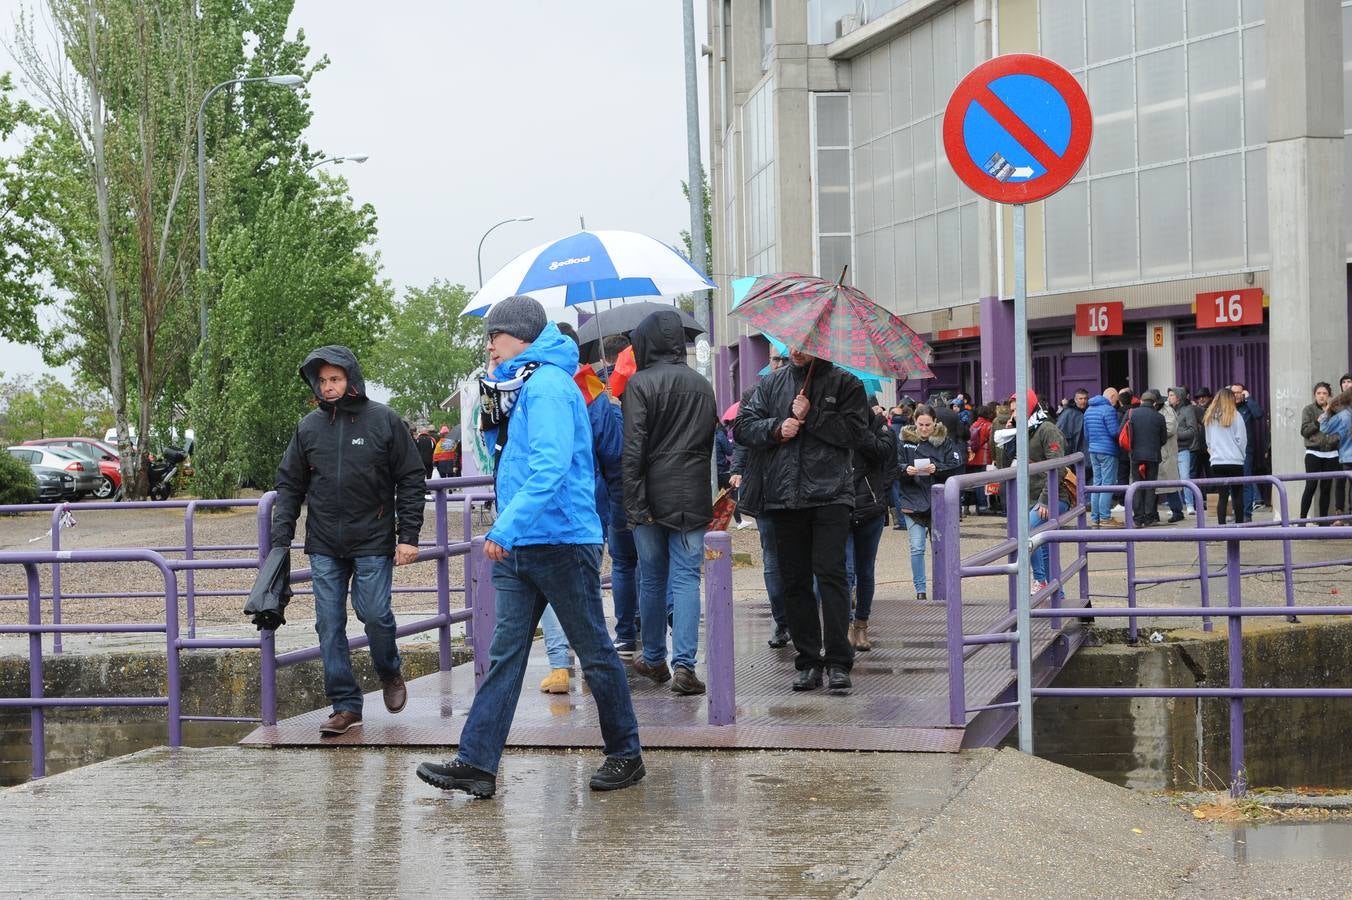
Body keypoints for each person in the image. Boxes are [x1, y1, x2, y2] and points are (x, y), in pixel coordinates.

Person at [416, 296, 643, 798]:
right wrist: (492, 415)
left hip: (559, 539)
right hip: (524, 542)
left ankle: (626, 753)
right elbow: (512, 459)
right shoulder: (525, 383)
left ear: (515, 334)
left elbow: (550, 467)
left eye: (493, 335)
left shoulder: (546, 386)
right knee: (506, 655)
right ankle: (477, 762)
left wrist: (502, 529)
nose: (488, 345)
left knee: (595, 650)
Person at [270, 346, 425, 737]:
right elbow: (289, 484)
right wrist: (280, 537)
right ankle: (345, 705)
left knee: (374, 615)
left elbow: (411, 478)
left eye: (335, 379)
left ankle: (389, 671)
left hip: (373, 538)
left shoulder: (384, 421)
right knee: (328, 624)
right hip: (324, 542)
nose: (328, 387)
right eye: (322, 381)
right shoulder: (308, 428)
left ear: (351, 379)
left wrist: (408, 536)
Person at [735, 347, 869, 694]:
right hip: (783, 497)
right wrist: (777, 428)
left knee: (831, 576)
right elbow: (744, 428)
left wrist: (815, 417)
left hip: (830, 495)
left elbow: (857, 435)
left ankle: (839, 662)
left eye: (805, 344)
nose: (795, 350)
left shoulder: (846, 383)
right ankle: (808, 660)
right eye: (792, 342)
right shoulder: (771, 384)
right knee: (794, 581)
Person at [622, 309, 718, 696]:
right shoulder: (702, 384)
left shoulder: (639, 384)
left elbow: (633, 448)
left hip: (649, 492)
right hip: (692, 492)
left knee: (652, 576)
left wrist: (633, 500)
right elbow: (708, 444)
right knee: (686, 579)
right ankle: (685, 666)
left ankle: (653, 655)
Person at [535, 322, 625, 694]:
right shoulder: (593, 392)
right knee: (585, 588)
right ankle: (592, 660)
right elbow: (613, 453)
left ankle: (559, 665)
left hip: (540, 509)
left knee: (550, 592)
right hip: (589, 505)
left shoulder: (530, 387)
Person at [732, 371, 790, 649]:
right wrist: (737, 469)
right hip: (773, 488)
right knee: (778, 558)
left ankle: (786, 620)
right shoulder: (763, 396)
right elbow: (744, 439)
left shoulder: (753, 401)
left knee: (780, 559)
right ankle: (783, 619)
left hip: (784, 488)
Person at [894, 406, 965, 601]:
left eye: (928, 425)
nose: (924, 429)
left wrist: (938, 468)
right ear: (914, 423)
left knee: (940, 546)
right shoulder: (904, 441)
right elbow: (893, 465)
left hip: (939, 502)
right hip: (913, 499)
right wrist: (904, 469)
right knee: (917, 547)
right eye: (920, 425)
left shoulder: (945, 442)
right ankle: (921, 590)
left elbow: (957, 465)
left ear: (935, 422)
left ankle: (943, 586)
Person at [847, 403, 899, 651]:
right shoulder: (837, 425)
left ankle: (861, 624)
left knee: (865, 571)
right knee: (845, 572)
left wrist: (880, 496)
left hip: (870, 509)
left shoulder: (882, 430)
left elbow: (886, 459)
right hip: (841, 507)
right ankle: (845, 625)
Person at [1203, 387, 1248, 525]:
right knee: (1237, 495)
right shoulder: (1236, 415)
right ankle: (1239, 525)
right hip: (1235, 460)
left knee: (1222, 496)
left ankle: (1221, 526)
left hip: (1217, 462)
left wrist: (1213, 453)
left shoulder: (1210, 417)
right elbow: (1242, 439)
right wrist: (1242, 455)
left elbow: (1208, 441)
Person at [1299, 382, 1342, 524]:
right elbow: (1304, 431)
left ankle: (1323, 522)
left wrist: (1333, 441)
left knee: (1326, 488)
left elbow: (1340, 431)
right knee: (1311, 486)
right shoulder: (1309, 410)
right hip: (1313, 452)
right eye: (1319, 393)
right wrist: (1318, 421)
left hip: (1331, 454)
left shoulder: (1336, 411)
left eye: (1324, 393)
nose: (1321, 396)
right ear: (1314, 395)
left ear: (1329, 395)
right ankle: (1302, 520)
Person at [1083, 387, 1122, 528]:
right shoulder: (1108, 410)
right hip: (1108, 451)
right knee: (1107, 484)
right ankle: (1105, 517)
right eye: (1116, 400)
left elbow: (1086, 434)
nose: (1116, 403)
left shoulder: (1088, 410)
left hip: (1093, 450)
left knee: (1097, 484)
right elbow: (1114, 432)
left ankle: (1095, 517)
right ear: (1111, 396)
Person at [1320, 387, 1352, 526]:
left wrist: (1328, 411)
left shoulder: (1343, 416)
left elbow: (1324, 428)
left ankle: (1344, 517)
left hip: (1347, 457)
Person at [1231, 383, 1263, 517]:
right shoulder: (1228, 408)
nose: (1237, 395)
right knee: (1233, 483)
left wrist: (1249, 399)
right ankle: (1236, 513)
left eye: (1239, 392)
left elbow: (1259, 414)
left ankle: (1246, 514)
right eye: (1234, 393)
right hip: (1230, 451)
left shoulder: (1247, 407)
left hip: (1246, 451)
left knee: (1246, 481)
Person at [1169, 387, 1198, 515]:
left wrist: (1175, 434)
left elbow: (1192, 431)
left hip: (1183, 449)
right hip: (1170, 450)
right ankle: (1176, 506)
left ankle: (1190, 504)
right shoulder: (1167, 411)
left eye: (1171, 395)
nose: (1169, 398)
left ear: (1179, 397)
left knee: (1185, 477)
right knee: (1172, 479)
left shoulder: (1188, 410)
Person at [1059, 389, 1088, 458]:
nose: (1083, 401)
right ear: (1075, 400)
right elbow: (1059, 431)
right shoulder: (1068, 413)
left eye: (1085, 398)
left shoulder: (1089, 411)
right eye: (1080, 398)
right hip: (1072, 449)